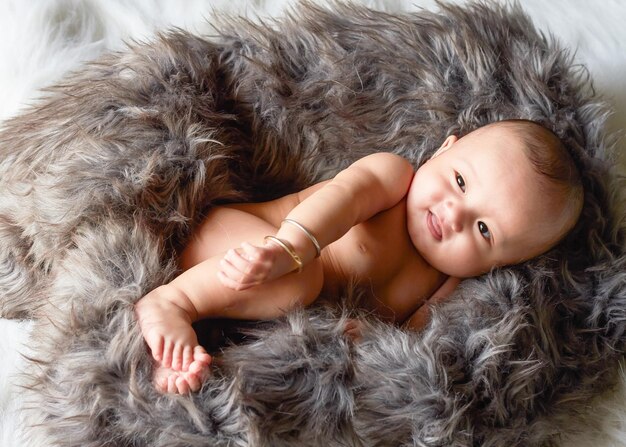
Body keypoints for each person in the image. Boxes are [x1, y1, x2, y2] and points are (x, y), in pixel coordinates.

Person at [134, 119, 584, 394]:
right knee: (300, 281)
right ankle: (170, 304)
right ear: (445, 148)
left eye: (484, 230)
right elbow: (341, 201)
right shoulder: (393, 179)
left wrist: (371, 337)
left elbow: (409, 341)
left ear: (496, 265)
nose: (453, 214)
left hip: (252, 309)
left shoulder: (448, 285)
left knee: (289, 354)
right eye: (461, 182)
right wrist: (287, 250)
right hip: (236, 245)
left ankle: (180, 363)